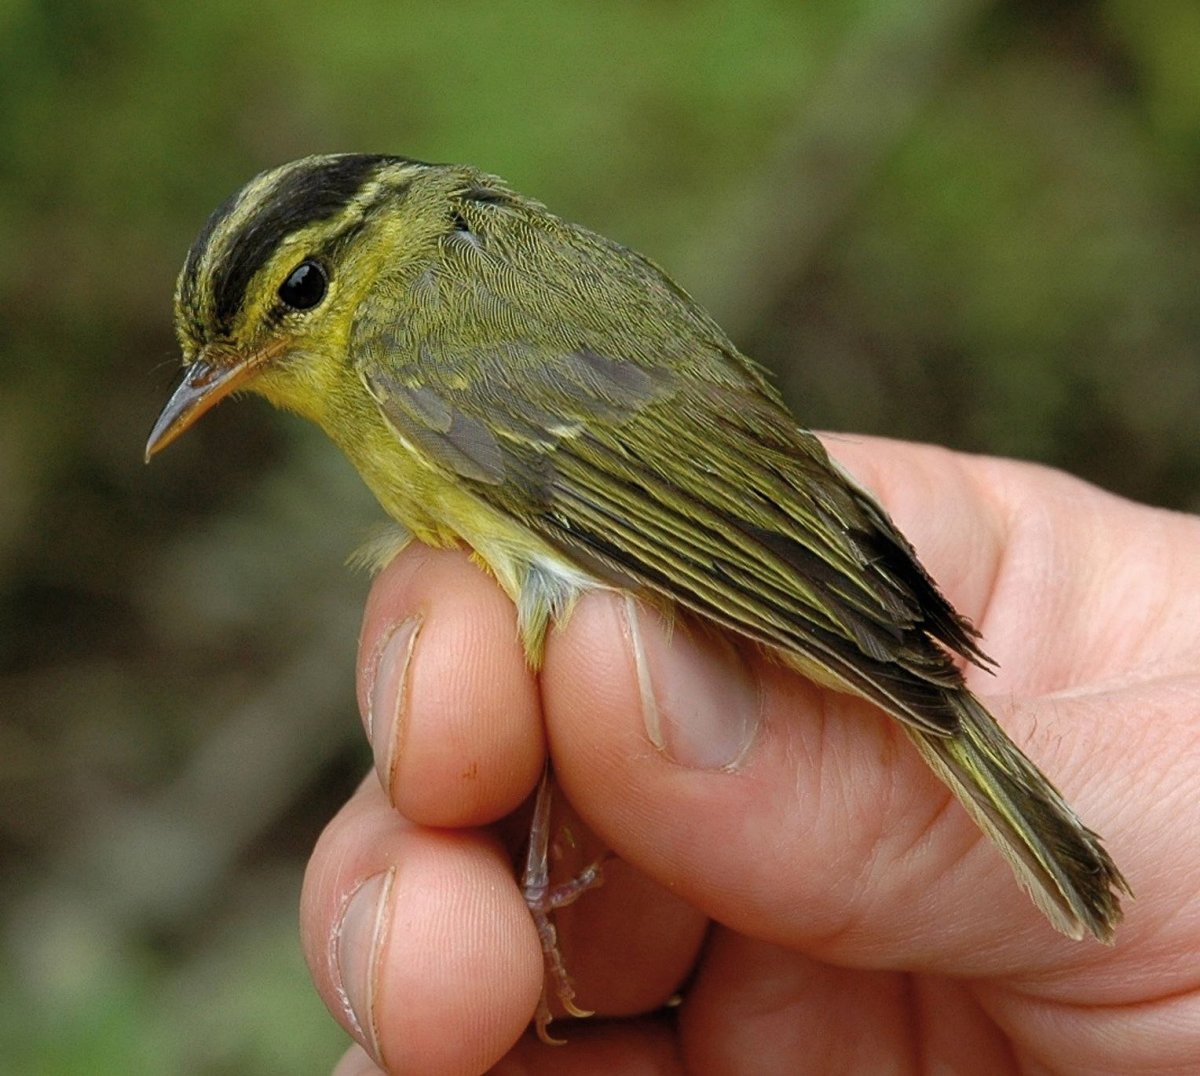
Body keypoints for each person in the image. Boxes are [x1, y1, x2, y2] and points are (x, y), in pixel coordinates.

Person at [298, 435, 1200, 1075]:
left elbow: (634, 511)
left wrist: (861, 635)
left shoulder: (403, 357)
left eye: (296, 298)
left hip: (711, 544)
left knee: (555, 687)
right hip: (747, 532)